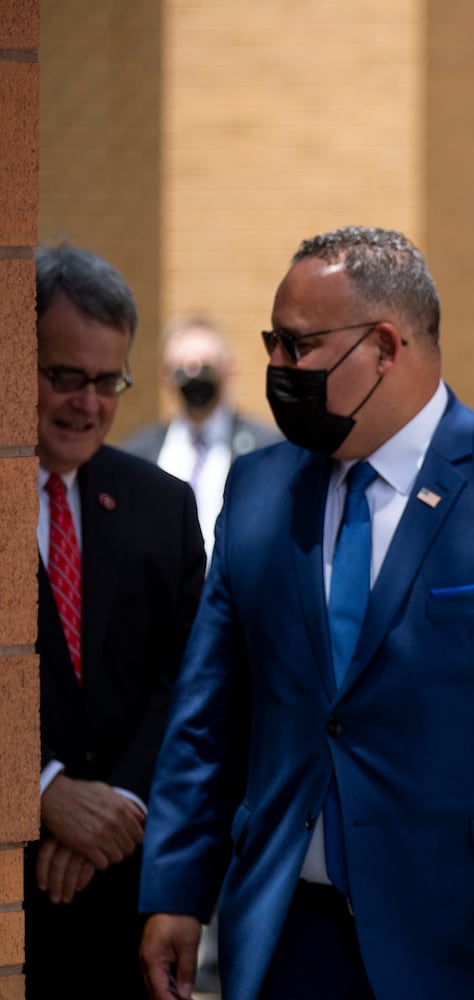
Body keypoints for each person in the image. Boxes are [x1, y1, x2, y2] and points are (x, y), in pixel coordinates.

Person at [137, 226, 474, 1000]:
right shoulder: (256, 491)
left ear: (386, 346)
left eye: (299, 346)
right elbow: (207, 713)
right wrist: (176, 887)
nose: (278, 368)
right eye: (271, 343)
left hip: (460, 942)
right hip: (281, 935)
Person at [25, 247, 206, 999]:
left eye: (109, 382)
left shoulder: (161, 504)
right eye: (65, 377)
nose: (88, 404)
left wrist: (120, 804)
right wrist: (40, 788)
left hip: (124, 904)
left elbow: (191, 675)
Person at [122, 315, 281, 561]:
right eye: (182, 369)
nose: (194, 377)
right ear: (165, 374)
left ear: (228, 367)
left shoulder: (269, 449)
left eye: (205, 367)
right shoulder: (138, 453)